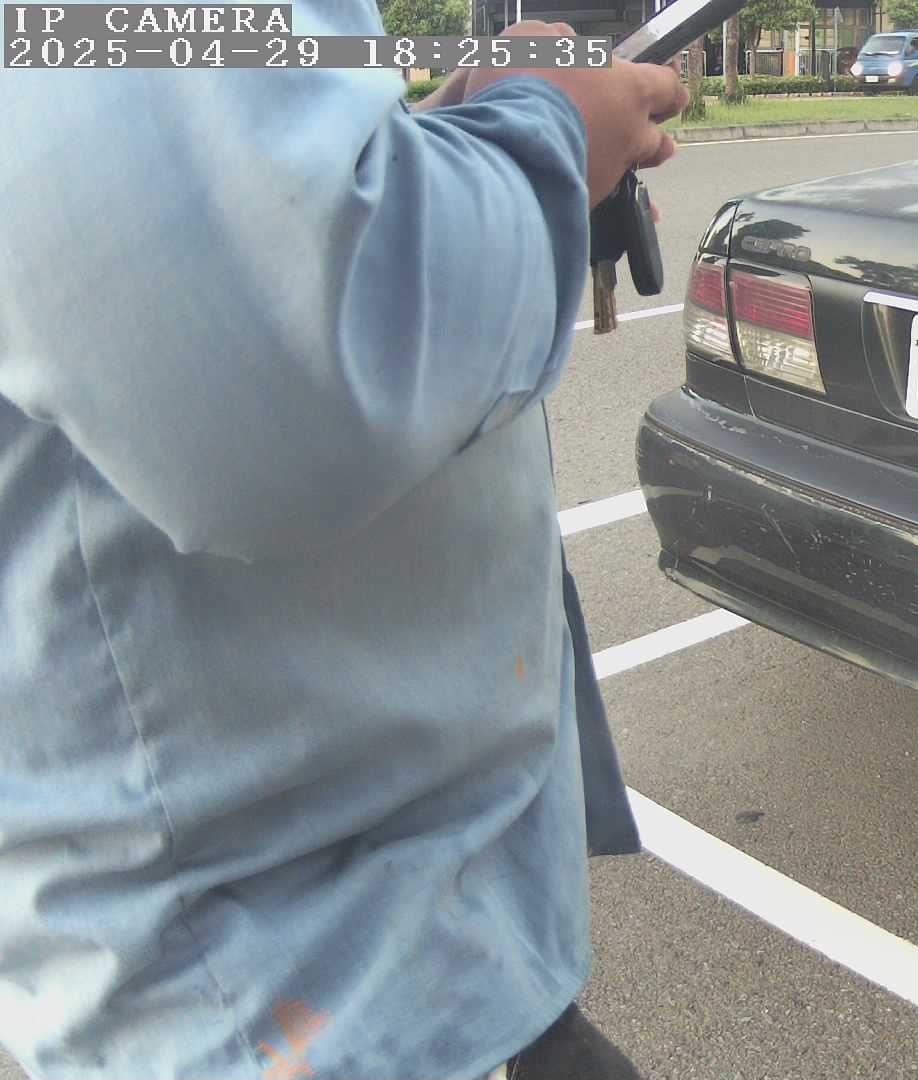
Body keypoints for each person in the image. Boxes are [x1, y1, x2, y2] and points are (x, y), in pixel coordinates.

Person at [0, 2, 687, 1076]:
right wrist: (546, 131)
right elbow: (288, 374)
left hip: (398, 949)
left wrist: (437, 149)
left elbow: (242, 210)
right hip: (269, 985)